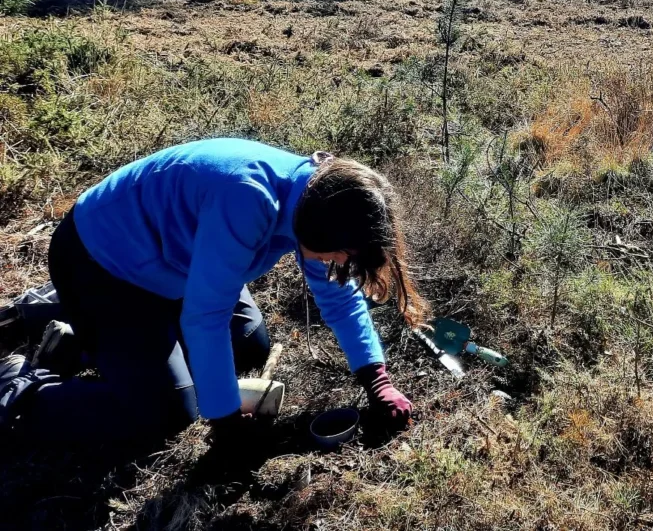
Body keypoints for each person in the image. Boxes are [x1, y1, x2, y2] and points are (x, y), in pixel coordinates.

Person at [0, 138, 426, 451]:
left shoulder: (319, 201)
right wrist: (224, 422)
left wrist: (377, 379)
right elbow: (206, 317)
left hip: (177, 266)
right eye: (339, 254)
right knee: (166, 412)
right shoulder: (249, 201)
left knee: (248, 343)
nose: (338, 263)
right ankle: (22, 389)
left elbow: (337, 295)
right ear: (320, 232)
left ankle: (85, 339)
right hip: (104, 264)